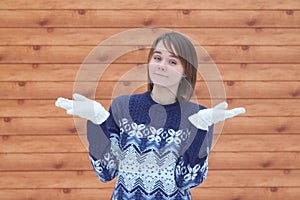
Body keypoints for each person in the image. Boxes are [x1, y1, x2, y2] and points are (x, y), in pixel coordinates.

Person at [55, 32, 246, 200]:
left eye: (172, 62)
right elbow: (106, 171)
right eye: (157, 58)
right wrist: (98, 122)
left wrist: (201, 128)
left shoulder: (198, 116)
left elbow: (187, 179)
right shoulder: (123, 106)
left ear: (186, 71)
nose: (162, 65)